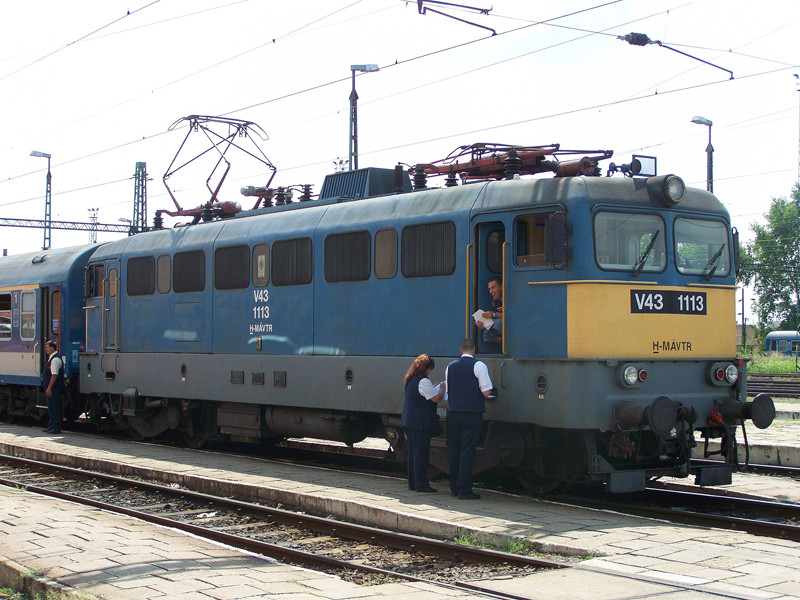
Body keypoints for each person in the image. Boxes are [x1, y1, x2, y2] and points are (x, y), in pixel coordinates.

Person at [445, 339, 493, 499]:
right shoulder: (479, 366)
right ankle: (464, 489)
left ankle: (454, 487)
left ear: (461, 349)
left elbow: (449, 389)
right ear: (474, 350)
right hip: (472, 413)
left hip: (454, 413)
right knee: (467, 450)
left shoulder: (450, 366)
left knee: (454, 449)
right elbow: (486, 392)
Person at [401, 354, 446, 492]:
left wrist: (432, 387)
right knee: (421, 454)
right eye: (429, 369)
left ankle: (412, 483)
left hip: (410, 421)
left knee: (412, 454)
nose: (430, 372)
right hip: (420, 424)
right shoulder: (423, 381)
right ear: (425, 368)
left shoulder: (411, 380)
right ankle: (421, 484)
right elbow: (436, 399)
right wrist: (442, 388)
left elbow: (422, 394)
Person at [41, 340, 64, 434]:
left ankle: (56, 427)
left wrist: (49, 388)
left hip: (54, 388)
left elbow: (54, 375)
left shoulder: (55, 360)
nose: (46, 350)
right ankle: (51, 425)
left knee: (55, 407)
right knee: (51, 407)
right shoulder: (52, 358)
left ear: (52, 348)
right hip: (52, 387)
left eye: (47, 347)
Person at [475, 276, 502, 344]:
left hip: (514, 325)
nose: (491, 291)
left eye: (493, 288)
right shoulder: (495, 301)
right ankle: (507, 341)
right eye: (489, 289)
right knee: (487, 335)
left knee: (498, 323)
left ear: (501, 286)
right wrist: (484, 324)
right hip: (503, 326)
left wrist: (493, 314)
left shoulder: (509, 298)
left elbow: (512, 316)